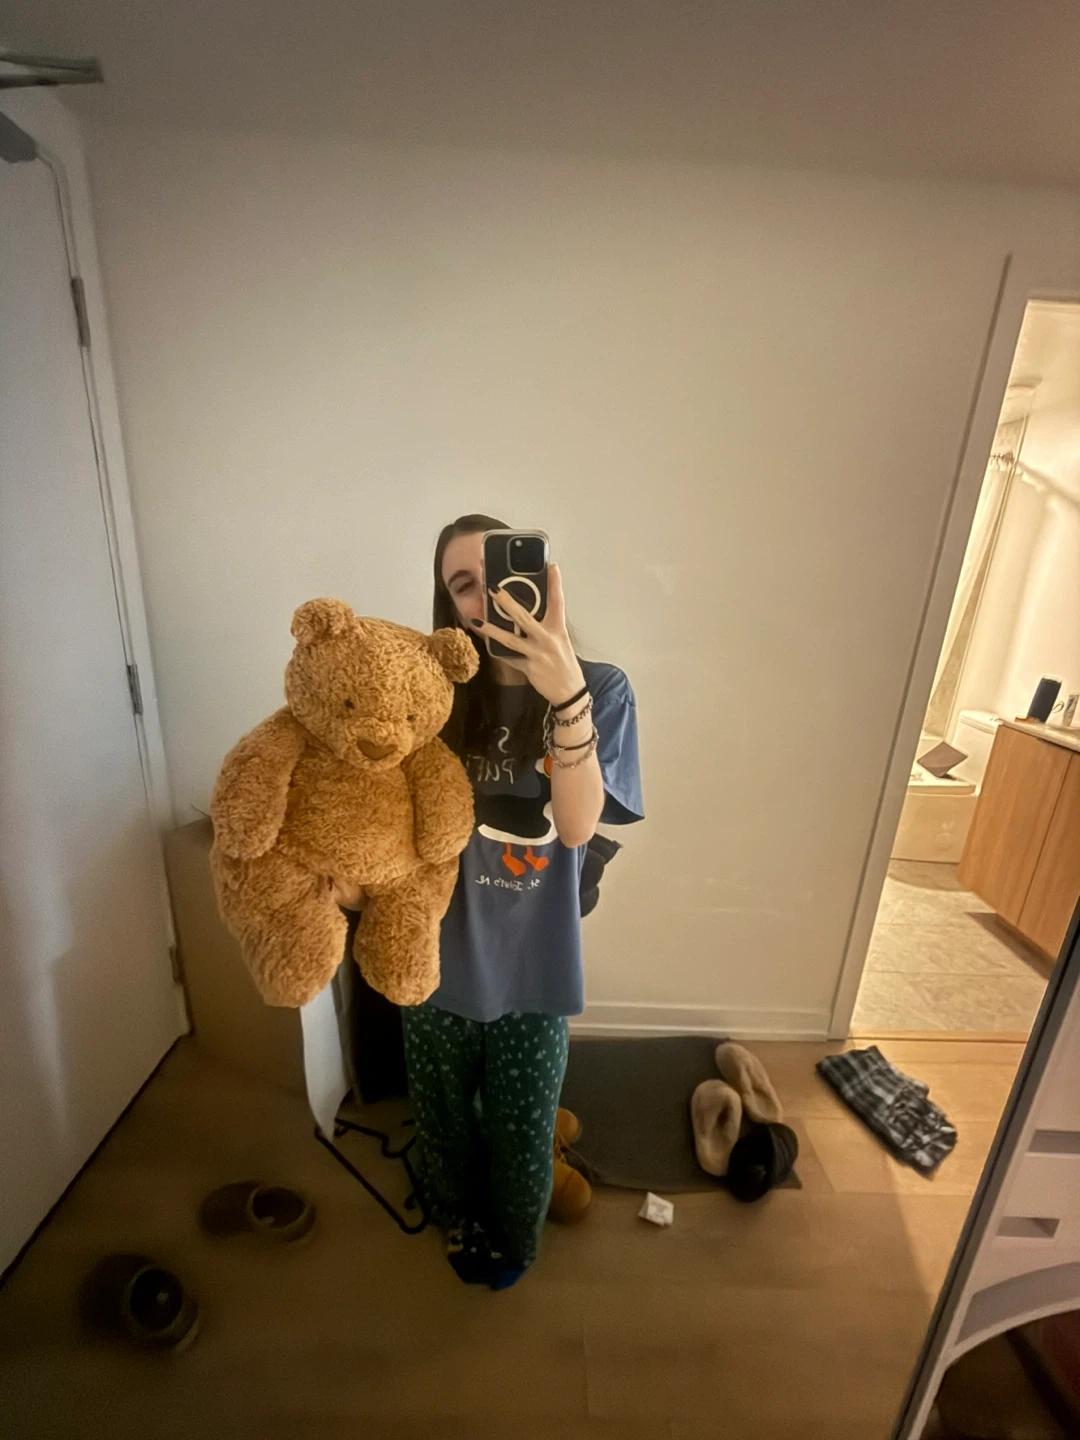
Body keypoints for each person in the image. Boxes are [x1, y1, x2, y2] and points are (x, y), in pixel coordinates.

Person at [401, 513, 644, 1291]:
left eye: (501, 575)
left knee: (523, 1125)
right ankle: (454, 1215)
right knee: (440, 1117)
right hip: (431, 958)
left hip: (534, 963)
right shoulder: (431, 696)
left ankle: (513, 1243)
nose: (488, 598)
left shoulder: (600, 689)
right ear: (449, 606)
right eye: (463, 586)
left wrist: (565, 694)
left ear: (541, 580)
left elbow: (575, 826)